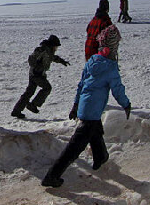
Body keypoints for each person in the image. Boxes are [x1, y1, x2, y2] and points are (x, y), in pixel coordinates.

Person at [41, 25, 131, 187]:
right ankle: (52, 176)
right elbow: (117, 90)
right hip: (92, 110)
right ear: (113, 47)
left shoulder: (92, 61)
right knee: (75, 147)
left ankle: (100, 157)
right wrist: (126, 104)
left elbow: (81, 85)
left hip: (85, 106)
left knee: (95, 131)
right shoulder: (110, 68)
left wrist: (76, 104)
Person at [11, 35, 70, 118]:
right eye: (56, 46)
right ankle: (33, 105)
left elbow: (53, 58)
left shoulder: (48, 51)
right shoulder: (41, 50)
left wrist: (62, 61)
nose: (56, 49)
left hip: (36, 74)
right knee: (47, 88)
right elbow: (31, 58)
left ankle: (16, 111)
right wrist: (36, 66)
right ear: (52, 45)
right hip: (36, 74)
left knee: (29, 92)